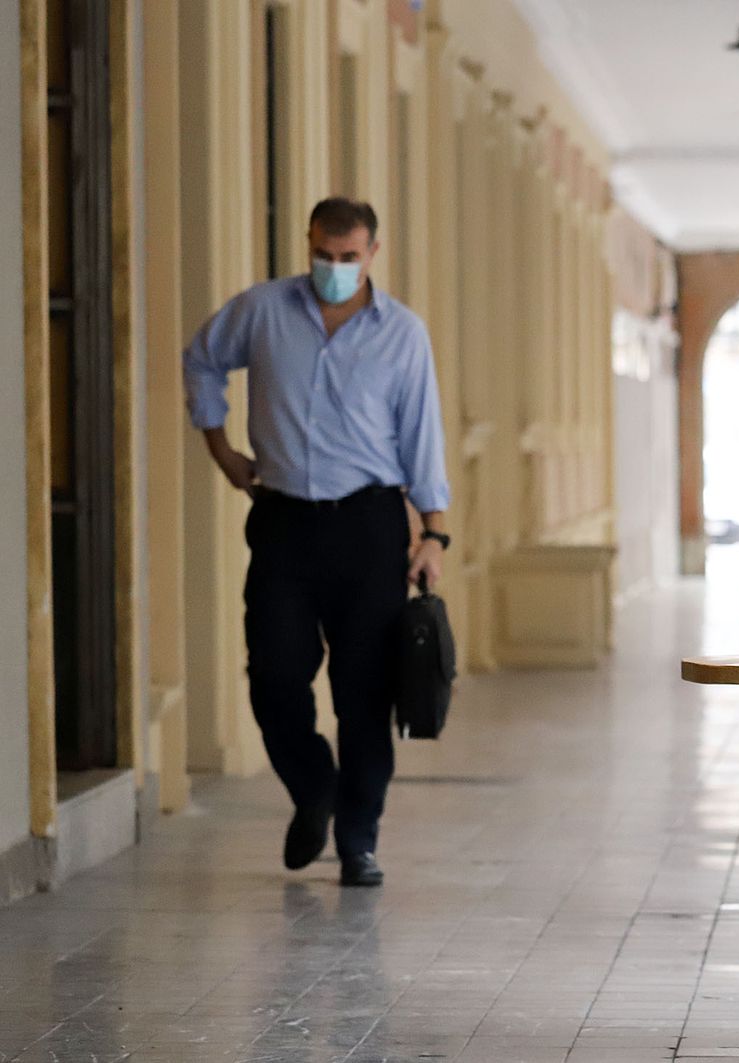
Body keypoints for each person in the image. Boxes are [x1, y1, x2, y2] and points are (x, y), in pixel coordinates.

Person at [182, 197, 451, 887]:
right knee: (273, 672)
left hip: (368, 524)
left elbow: (422, 432)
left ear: (372, 253)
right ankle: (313, 788)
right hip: (283, 521)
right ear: (309, 245)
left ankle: (358, 837)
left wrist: (435, 532)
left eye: (348, 257)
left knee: (364, 692)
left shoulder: (403, 334)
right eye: (323, 255)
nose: (333, 268)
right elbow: (203, 359)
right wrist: (220, 445)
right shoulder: (264, 310)